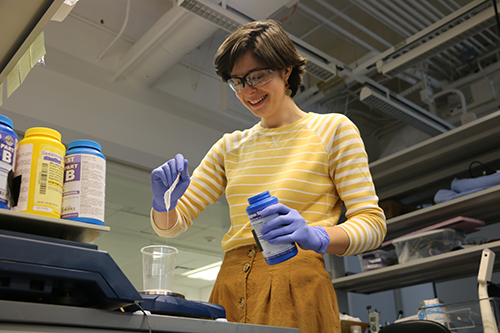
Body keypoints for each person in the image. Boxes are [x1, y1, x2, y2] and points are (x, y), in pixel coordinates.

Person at [151, 19, 386, 333]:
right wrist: (163, 204)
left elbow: (373, 224)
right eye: (237, 82)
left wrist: (317, 236)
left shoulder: (332, 130)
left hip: (297, 286)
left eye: (257, 76)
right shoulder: (228, 147)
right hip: (229, 289)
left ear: (285, 70)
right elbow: (172, 226)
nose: (248, 91)